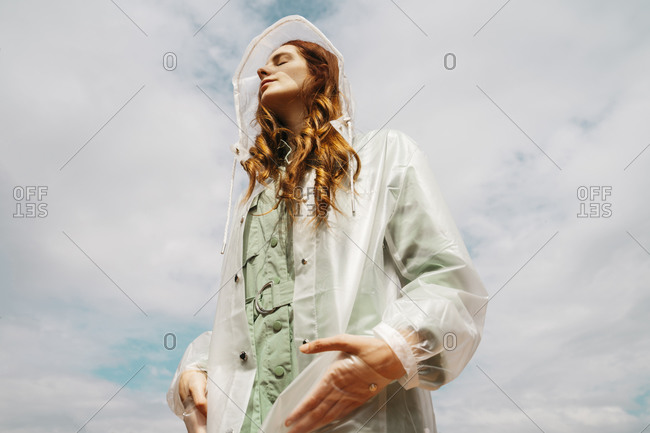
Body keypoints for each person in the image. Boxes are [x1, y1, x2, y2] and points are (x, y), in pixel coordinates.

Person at [167, 14, 489, 433]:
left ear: (320, 74)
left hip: (360, 419)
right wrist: (198, 369)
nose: (264, 70)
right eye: (265, 64)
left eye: (282, 60)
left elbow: (449, 282)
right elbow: (252, 322)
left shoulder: (384, 156)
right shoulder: (254, 203)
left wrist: (395, 349)